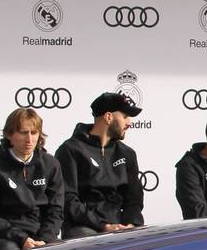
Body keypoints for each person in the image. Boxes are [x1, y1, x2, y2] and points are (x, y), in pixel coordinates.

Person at [0, 108, 65, 250]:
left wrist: (45, 239)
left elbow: (56, 210)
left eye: (34, 133)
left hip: (42, 236)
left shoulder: (50, 164)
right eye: (23, 132)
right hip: (5, 238)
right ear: (9, 135)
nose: (29, 139)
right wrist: (22, 239)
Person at [54, 92, 144, 238]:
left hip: (119, 226)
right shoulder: (70, 150)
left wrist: (131, 224)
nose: (129, 123)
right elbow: (68, 199)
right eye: (125, 117)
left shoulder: (127, 153)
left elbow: (134, 198)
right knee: (90, 240)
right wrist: (103, 226)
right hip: (83, 227)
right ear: (109, 117)